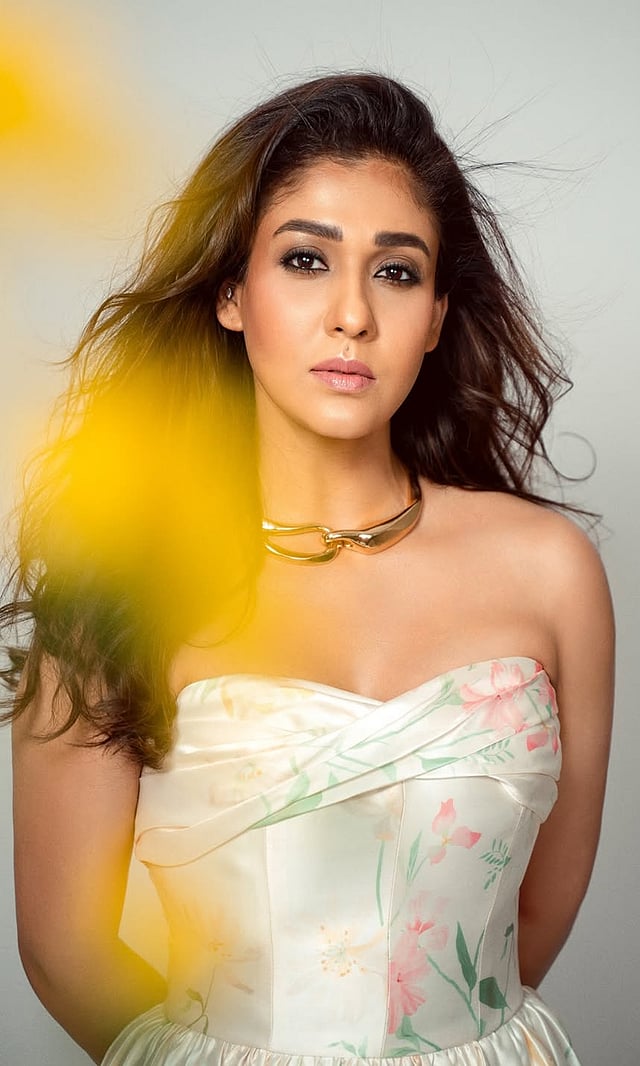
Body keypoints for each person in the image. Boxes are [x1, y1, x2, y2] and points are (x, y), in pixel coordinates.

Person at [3, 73, 614, 1065]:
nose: (352, 315)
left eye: (396, 272)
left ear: (436, 314)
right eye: (304, 259)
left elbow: (534, 920)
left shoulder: (550, 573)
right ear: (230, 294)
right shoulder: (118, 583)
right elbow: (64, 949)